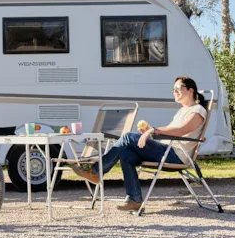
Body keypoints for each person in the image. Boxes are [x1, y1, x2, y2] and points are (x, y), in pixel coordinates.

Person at [72, 76, 208, 212]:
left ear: (191, 91)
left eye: (178, 88)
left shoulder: (197, 110)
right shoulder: (182, 111)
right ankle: (135, 200)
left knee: (128, 137)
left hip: (176, 155)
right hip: (166, 151)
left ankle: (97, 170)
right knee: (126, 154)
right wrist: (150, 131)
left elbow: (181, 131)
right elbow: (173, 132)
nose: (174, 91)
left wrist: (153, 131)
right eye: (173, 89)